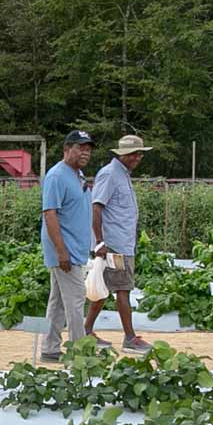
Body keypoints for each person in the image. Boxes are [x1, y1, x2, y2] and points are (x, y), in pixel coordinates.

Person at [84, 134, 154, 351]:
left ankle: (86, 331)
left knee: (103, 289)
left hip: (122, 242)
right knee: (122, 289)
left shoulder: (122, 174)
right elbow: (96, 207)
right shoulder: (110, 174)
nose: (137, 157)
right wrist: (99, 242)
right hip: (114, 244)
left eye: (140, 153)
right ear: (122, 155)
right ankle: (130, 338)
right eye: (133, 154)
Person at [38, 130, 96, 362]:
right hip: (66, 251)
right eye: (80, 147)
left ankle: (50, 348)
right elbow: (50, 214)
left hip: (75, 249)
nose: (85, 152)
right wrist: (62, 251)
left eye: (88, 149)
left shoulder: (77, 175)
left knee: (59, 301)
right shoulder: (57, 176)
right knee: (76, 300)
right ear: (66, 149)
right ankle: (79, 353)